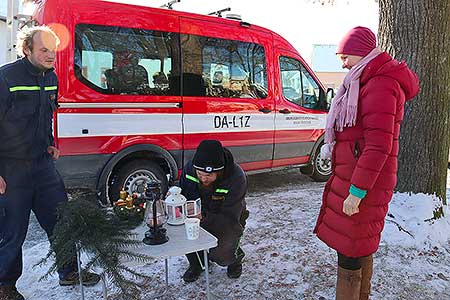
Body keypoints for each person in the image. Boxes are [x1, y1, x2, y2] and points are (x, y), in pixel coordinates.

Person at [314, 26, 419, 300]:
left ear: (362, 53)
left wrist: (356, 192)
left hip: (364, 185)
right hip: (355, 178)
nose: (342, 63)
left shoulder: (381, 83)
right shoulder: (364, 80)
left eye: (345, 56)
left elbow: (378, 145)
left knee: (351, 252)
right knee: (358, 247)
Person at [0, 26, 100, 300]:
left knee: (61, 222)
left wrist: (50, 142)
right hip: (11, 167)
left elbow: (46, 115)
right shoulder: (6, 77)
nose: (50, 55)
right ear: (27, 50)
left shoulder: (51, 77)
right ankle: (5, 286)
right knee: (13, 230)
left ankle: (68, 271)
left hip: (43, 165)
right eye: (43, 50)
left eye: (53, 50)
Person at [179, 140, 249, 282]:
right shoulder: (190, 168)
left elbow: (230, 212)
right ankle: (197, 264)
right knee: (187, 237)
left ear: (219, 171)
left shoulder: (236, 177)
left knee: (221, 255)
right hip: (198, 213)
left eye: (209, 176)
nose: (203, 178)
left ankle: (235, 258)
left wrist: (203, 217)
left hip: (229, 216)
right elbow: (184, 193)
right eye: (200, 174)